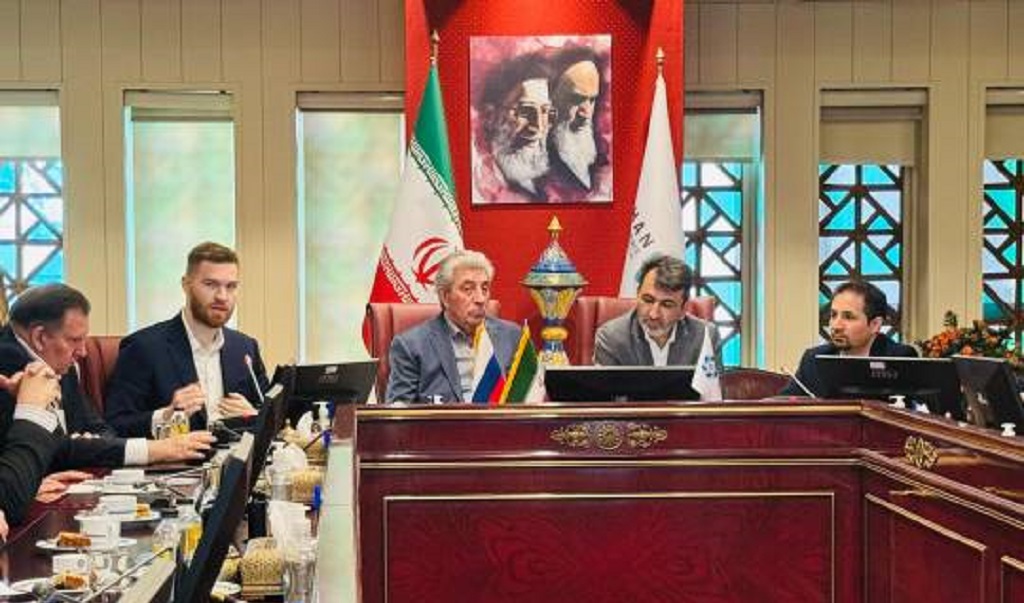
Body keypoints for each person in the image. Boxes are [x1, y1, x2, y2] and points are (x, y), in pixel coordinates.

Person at [0, 284, 215, 471]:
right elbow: (53, 449)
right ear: (39, 337)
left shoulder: (59, 361)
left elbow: (97, 427)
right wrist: (157, 450)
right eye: (75, 340)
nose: (83, 352)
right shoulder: (7, 365)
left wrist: (93, 444)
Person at [105, 242, 269, 438]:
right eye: (210, 284)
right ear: (186, 285)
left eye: (231, 286)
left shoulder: (245, 348)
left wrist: (254, 416)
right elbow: (115, 424)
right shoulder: (144, 348)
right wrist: (166, 416)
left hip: (237, 456)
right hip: (177, 456)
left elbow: (269, 413)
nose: (222, 296)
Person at [386, 250, 521, 403]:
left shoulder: (511, 337)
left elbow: (530, 398)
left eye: (484, 288)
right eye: (468, 289)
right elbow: (399, 410)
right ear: (445, 297)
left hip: (500, 418)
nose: (480, 299)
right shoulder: (411, 346)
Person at [780, 280, 918, 397]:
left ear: (875, 324)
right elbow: (785, 403)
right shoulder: (814, 359)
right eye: (833, 315)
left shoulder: (900, 358)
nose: (836, 326)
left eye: (848, 317)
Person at [594, 254, 721, 367]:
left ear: (683, 309)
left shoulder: (705, 337)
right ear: (637, 295)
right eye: (648, 300)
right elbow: (606, 387)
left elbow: (713, 386)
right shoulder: (612, 338)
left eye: (667, 304)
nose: (653, 314)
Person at [473, 54, 555, 202]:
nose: (538, 127)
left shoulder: (544, 185)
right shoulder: (477, 185)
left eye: (544, 111)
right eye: (525, 111)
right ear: (492, 115)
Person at [0, 361, 64, 527]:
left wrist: (29, 479)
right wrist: (32, 412)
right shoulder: (9, 354)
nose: (83, 352)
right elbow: (8, 503)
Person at [549, 49, 602, 190]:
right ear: (554, 99)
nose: (586, 113)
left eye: (592, 100)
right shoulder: (539, 168)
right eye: (576, 99)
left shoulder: (602, 161)